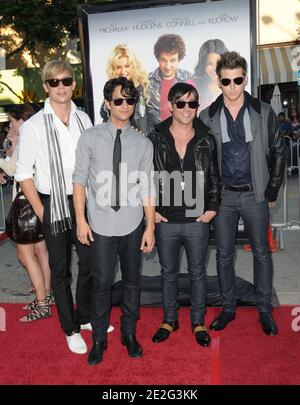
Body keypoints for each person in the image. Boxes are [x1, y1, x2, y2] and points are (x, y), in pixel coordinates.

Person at [200, 51, 286, 336]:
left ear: (245, 79)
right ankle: (227, 308)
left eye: (238, 80)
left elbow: (278, 150)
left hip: (254, 194)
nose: (233, 86)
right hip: (223, 196)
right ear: (219, 82)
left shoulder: (263, 110)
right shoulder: (208, 115)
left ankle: (264, 308)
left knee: (262, 252)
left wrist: (272, 188)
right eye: (227, 81)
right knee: (223, 254)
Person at [73, 77, 156, 366]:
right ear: (107, 103)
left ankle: (129, 334)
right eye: (119, 100)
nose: (125, 105)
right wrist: (81, 220)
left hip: (133, 223)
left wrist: (150, 227)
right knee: (102, 283)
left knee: (132, 282)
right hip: (100, 224)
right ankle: (98, 338)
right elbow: (79, 181)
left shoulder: (143, 143)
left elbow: (147, 186)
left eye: (130, 100)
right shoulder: (90, 138)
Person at [15, 60, 96, 354]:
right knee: (61, 270)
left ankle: (84, 316)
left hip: (83, 200)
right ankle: (70, 328)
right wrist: (42, 211)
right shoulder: (34, 126)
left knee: (89, 264)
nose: (60, 87)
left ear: (74, 84)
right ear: (45, 86)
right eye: (53, 82)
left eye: (65, 81)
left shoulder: (84, 120)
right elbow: (23, 172)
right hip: (53, 203)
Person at [149, 82, 220, 347]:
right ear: (170, 105)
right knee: (168, 272)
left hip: (197, 220)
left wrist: (212, 208)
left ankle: (198, 321)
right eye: (181, 103)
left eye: (192, 103)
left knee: (198, 272)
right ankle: (169, 319)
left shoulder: (206, 137)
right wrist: (152, 211)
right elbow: (145, 177)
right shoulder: (155, 137)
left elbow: (214, 176)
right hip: (166, 220)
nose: (187, 109)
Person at [0, 104, 53, 323]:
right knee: (41, 250)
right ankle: (46, 296)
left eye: (12, 121)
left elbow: (13, 169)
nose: (10, 125)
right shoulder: (35, 137)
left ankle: (42, 303)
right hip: (38, 200)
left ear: (22, 121)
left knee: (25, 255)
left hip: (26, 203)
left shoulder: (28, 138)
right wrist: (13, 144)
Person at [101, 44, 150, 133]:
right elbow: (106, 120)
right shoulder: (111, 91)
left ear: (134, 66)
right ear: (113, 69)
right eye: (118, 67)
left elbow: (156, 121)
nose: (123, 72)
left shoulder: (145, 90)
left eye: (127, 66)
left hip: (144, 142)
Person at [148, 34, 193, 130]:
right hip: (156, 137)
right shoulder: (146, 82)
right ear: (158, 59)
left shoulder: (189, 79)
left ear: (179, 59)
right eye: (164, 60)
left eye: (172, 60)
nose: (168, 66)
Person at [192, 39, 227, 112]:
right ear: (203, 64)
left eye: (218, 63)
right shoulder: (192, 86)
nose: (215, 68)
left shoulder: (233, 86)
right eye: (210, 64)